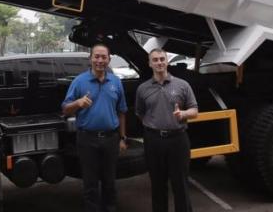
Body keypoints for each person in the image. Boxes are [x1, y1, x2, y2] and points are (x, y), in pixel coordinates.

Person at [62, 43, 128, 212]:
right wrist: (78, 103)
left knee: (109, 182)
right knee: (90, 184)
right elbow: (65, 109)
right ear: (90, 58)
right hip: (87, 139)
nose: (100, 60)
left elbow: (121, 112)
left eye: (103, 57)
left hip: (111, 139)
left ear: (109, 59)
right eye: (96, 56)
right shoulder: (79, 81)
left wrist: (122, 138)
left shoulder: (115, 81)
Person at [135, 48, 198, 212]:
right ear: (150, 64)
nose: (159, 62)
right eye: (155, 60)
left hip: (178, 140)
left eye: (162, 59)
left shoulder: (182, 85)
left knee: (181, 184)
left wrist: (183, 114)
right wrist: (156, 125)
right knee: (157, 184)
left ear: (167, 61)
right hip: (153, 141)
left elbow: (195, 111)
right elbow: (140, 113)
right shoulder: (143, 89)